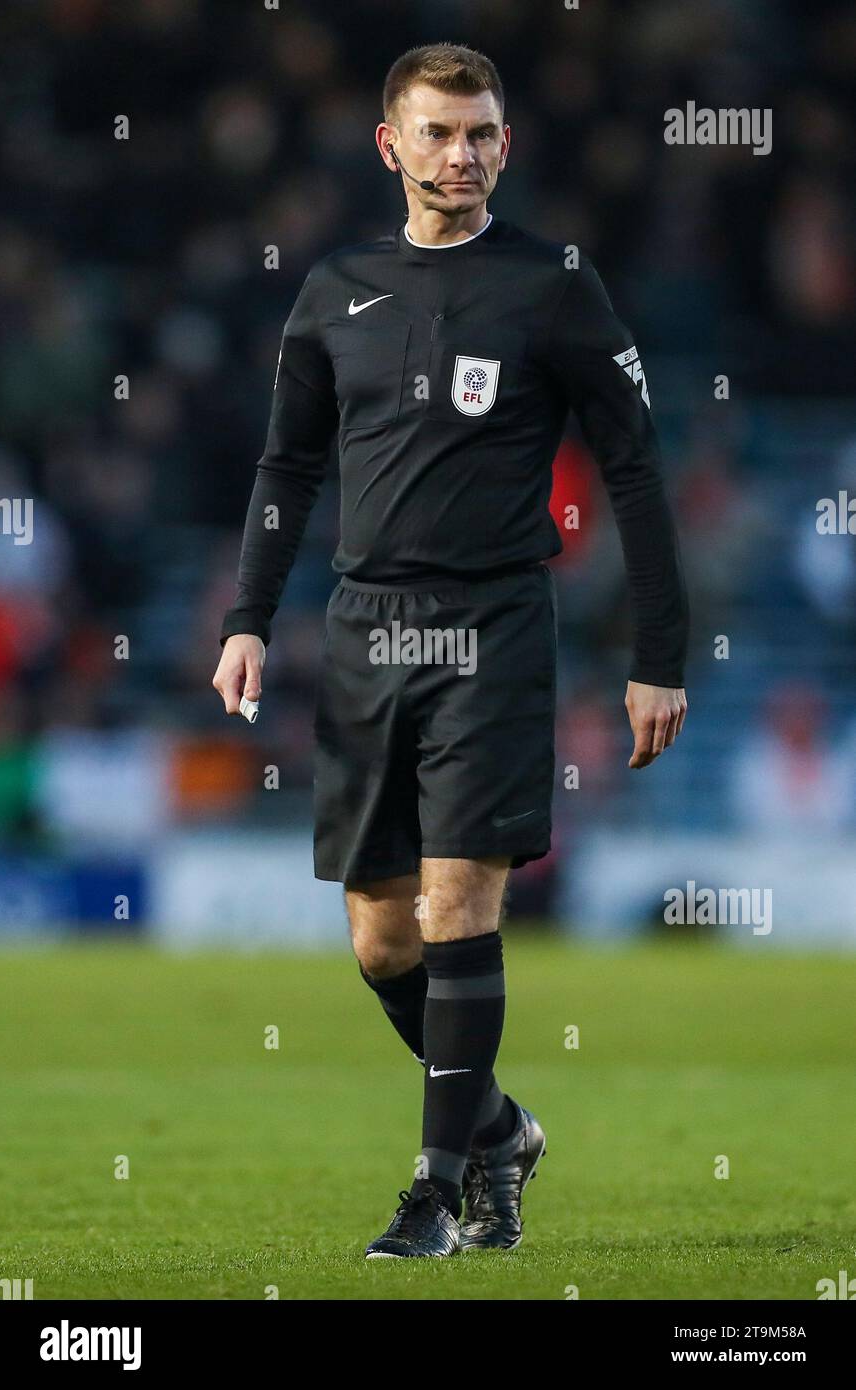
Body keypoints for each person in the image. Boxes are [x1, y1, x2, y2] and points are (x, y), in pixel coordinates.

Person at [213, 42, 689, 1258]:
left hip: (493, 626)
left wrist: (659, 650)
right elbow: (287, 467)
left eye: (478, 133)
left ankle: (432, 1190)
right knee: (381, 938)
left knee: (456, 901)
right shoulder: (334, 288)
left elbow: (633, 465)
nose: (458, 154)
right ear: (391, 145)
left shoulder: (551, 287)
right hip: (367, 628)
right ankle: (500, 1131)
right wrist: (247, 617)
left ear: (504, 147)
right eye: (435, 132)